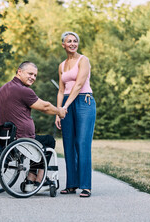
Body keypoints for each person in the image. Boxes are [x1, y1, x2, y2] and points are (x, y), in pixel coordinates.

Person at [0, 61, 66, 190]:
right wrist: (59, 111)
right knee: (49, 141)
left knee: (39, 142)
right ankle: (37, 180)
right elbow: (45, 107)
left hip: (6, 139)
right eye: (30, 73)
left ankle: (31, 179)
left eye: (35, 75)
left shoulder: (3, 88)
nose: (33, 77)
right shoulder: (23, 90)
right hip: (22, 139)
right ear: (19, 71)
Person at [55, 31, 96, 197]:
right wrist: (58, 112)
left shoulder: (83, 60)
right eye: (69, 41)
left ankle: (86, 185)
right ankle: (71, 184)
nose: (72, 43)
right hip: (66, 104)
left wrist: (65, 106)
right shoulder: (62, 65)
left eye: (75, 41)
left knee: (82, 143)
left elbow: (79, 85)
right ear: (63, 45)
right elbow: (60, 90)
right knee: (68, 143)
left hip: (83, 102)